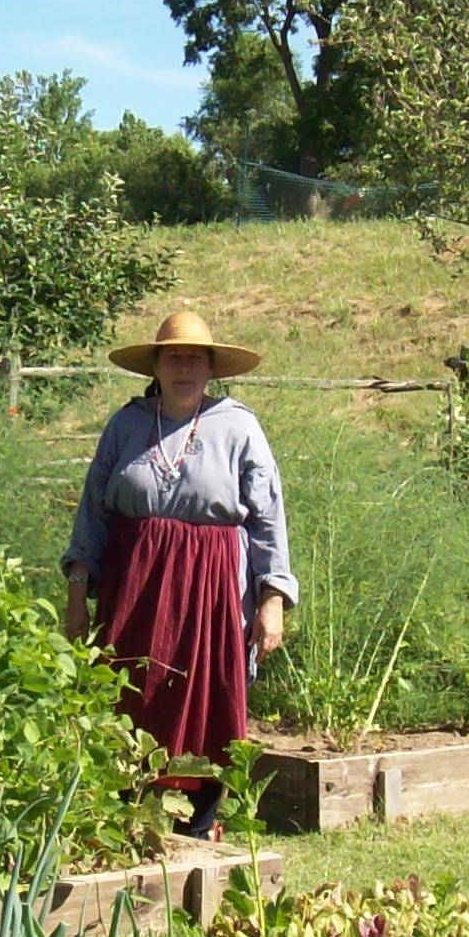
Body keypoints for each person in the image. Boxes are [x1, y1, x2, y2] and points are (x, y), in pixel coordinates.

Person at [61, 310, 295, 839]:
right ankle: (126, 814)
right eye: (174, 356)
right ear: (157, 365)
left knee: (209, 693)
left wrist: (272, 597)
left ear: (211, 368)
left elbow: (268, 516)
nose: (184, 366)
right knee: (131, 690)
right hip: (134, 585)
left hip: (211, 587)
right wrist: (78, 592)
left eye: (195, 357)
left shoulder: (238, 426)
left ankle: (200, 822)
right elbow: (93, 512)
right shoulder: (126, 425)